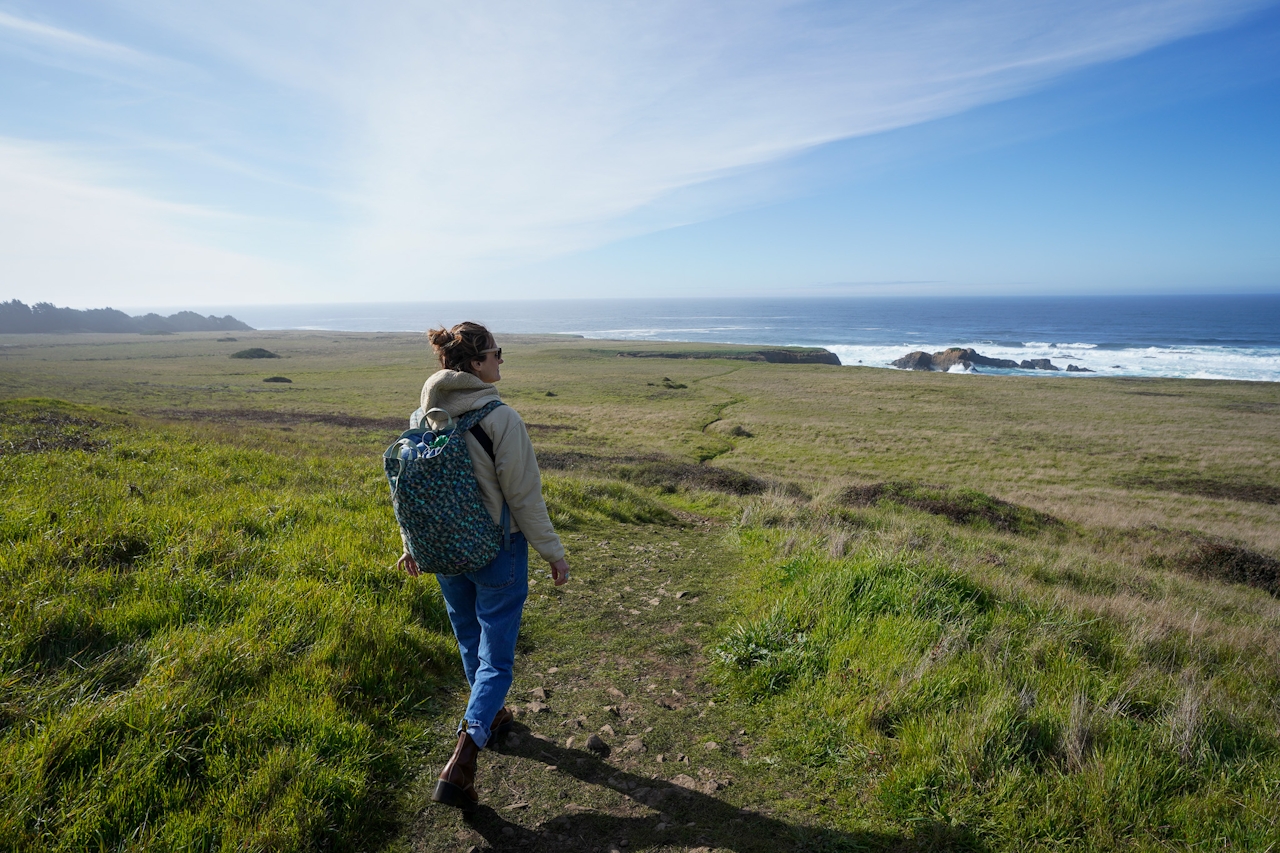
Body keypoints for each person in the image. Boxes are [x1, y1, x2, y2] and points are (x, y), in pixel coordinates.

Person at [397, 321, 570, 812]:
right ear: (474, 364)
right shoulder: (500, 417)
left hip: (444, 551)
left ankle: (489, 716)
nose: (500, 361)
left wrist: (411, 543)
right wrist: (553, 553)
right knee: (497, 654)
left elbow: (409, 491)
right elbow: (524, 495)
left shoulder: (422, 414)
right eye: (496, 353)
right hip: (497, 548)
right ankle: (464, 755)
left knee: (470, 638)